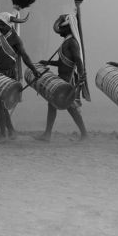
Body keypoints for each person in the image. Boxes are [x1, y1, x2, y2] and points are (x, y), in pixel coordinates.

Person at [0, 11, 43, 143]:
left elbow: (25, 56)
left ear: (9, 24)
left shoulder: (15, 39)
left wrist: (34, 70)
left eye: (2, 25)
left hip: (10, 75)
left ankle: (3, 134)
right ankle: (10, 132)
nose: (0, 28)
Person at [33, 12, 89, 142]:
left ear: (69, 28)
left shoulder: (72, 43)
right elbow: (62, 62)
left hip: (69, 79)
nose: (60, 30)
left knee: (71, 107)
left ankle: (84, 134)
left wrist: (81, 76)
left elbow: (78, 61)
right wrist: (48, 62)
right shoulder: (66, 42)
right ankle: (47, 134)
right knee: (53, 104)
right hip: (61, 78)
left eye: (63, 28)